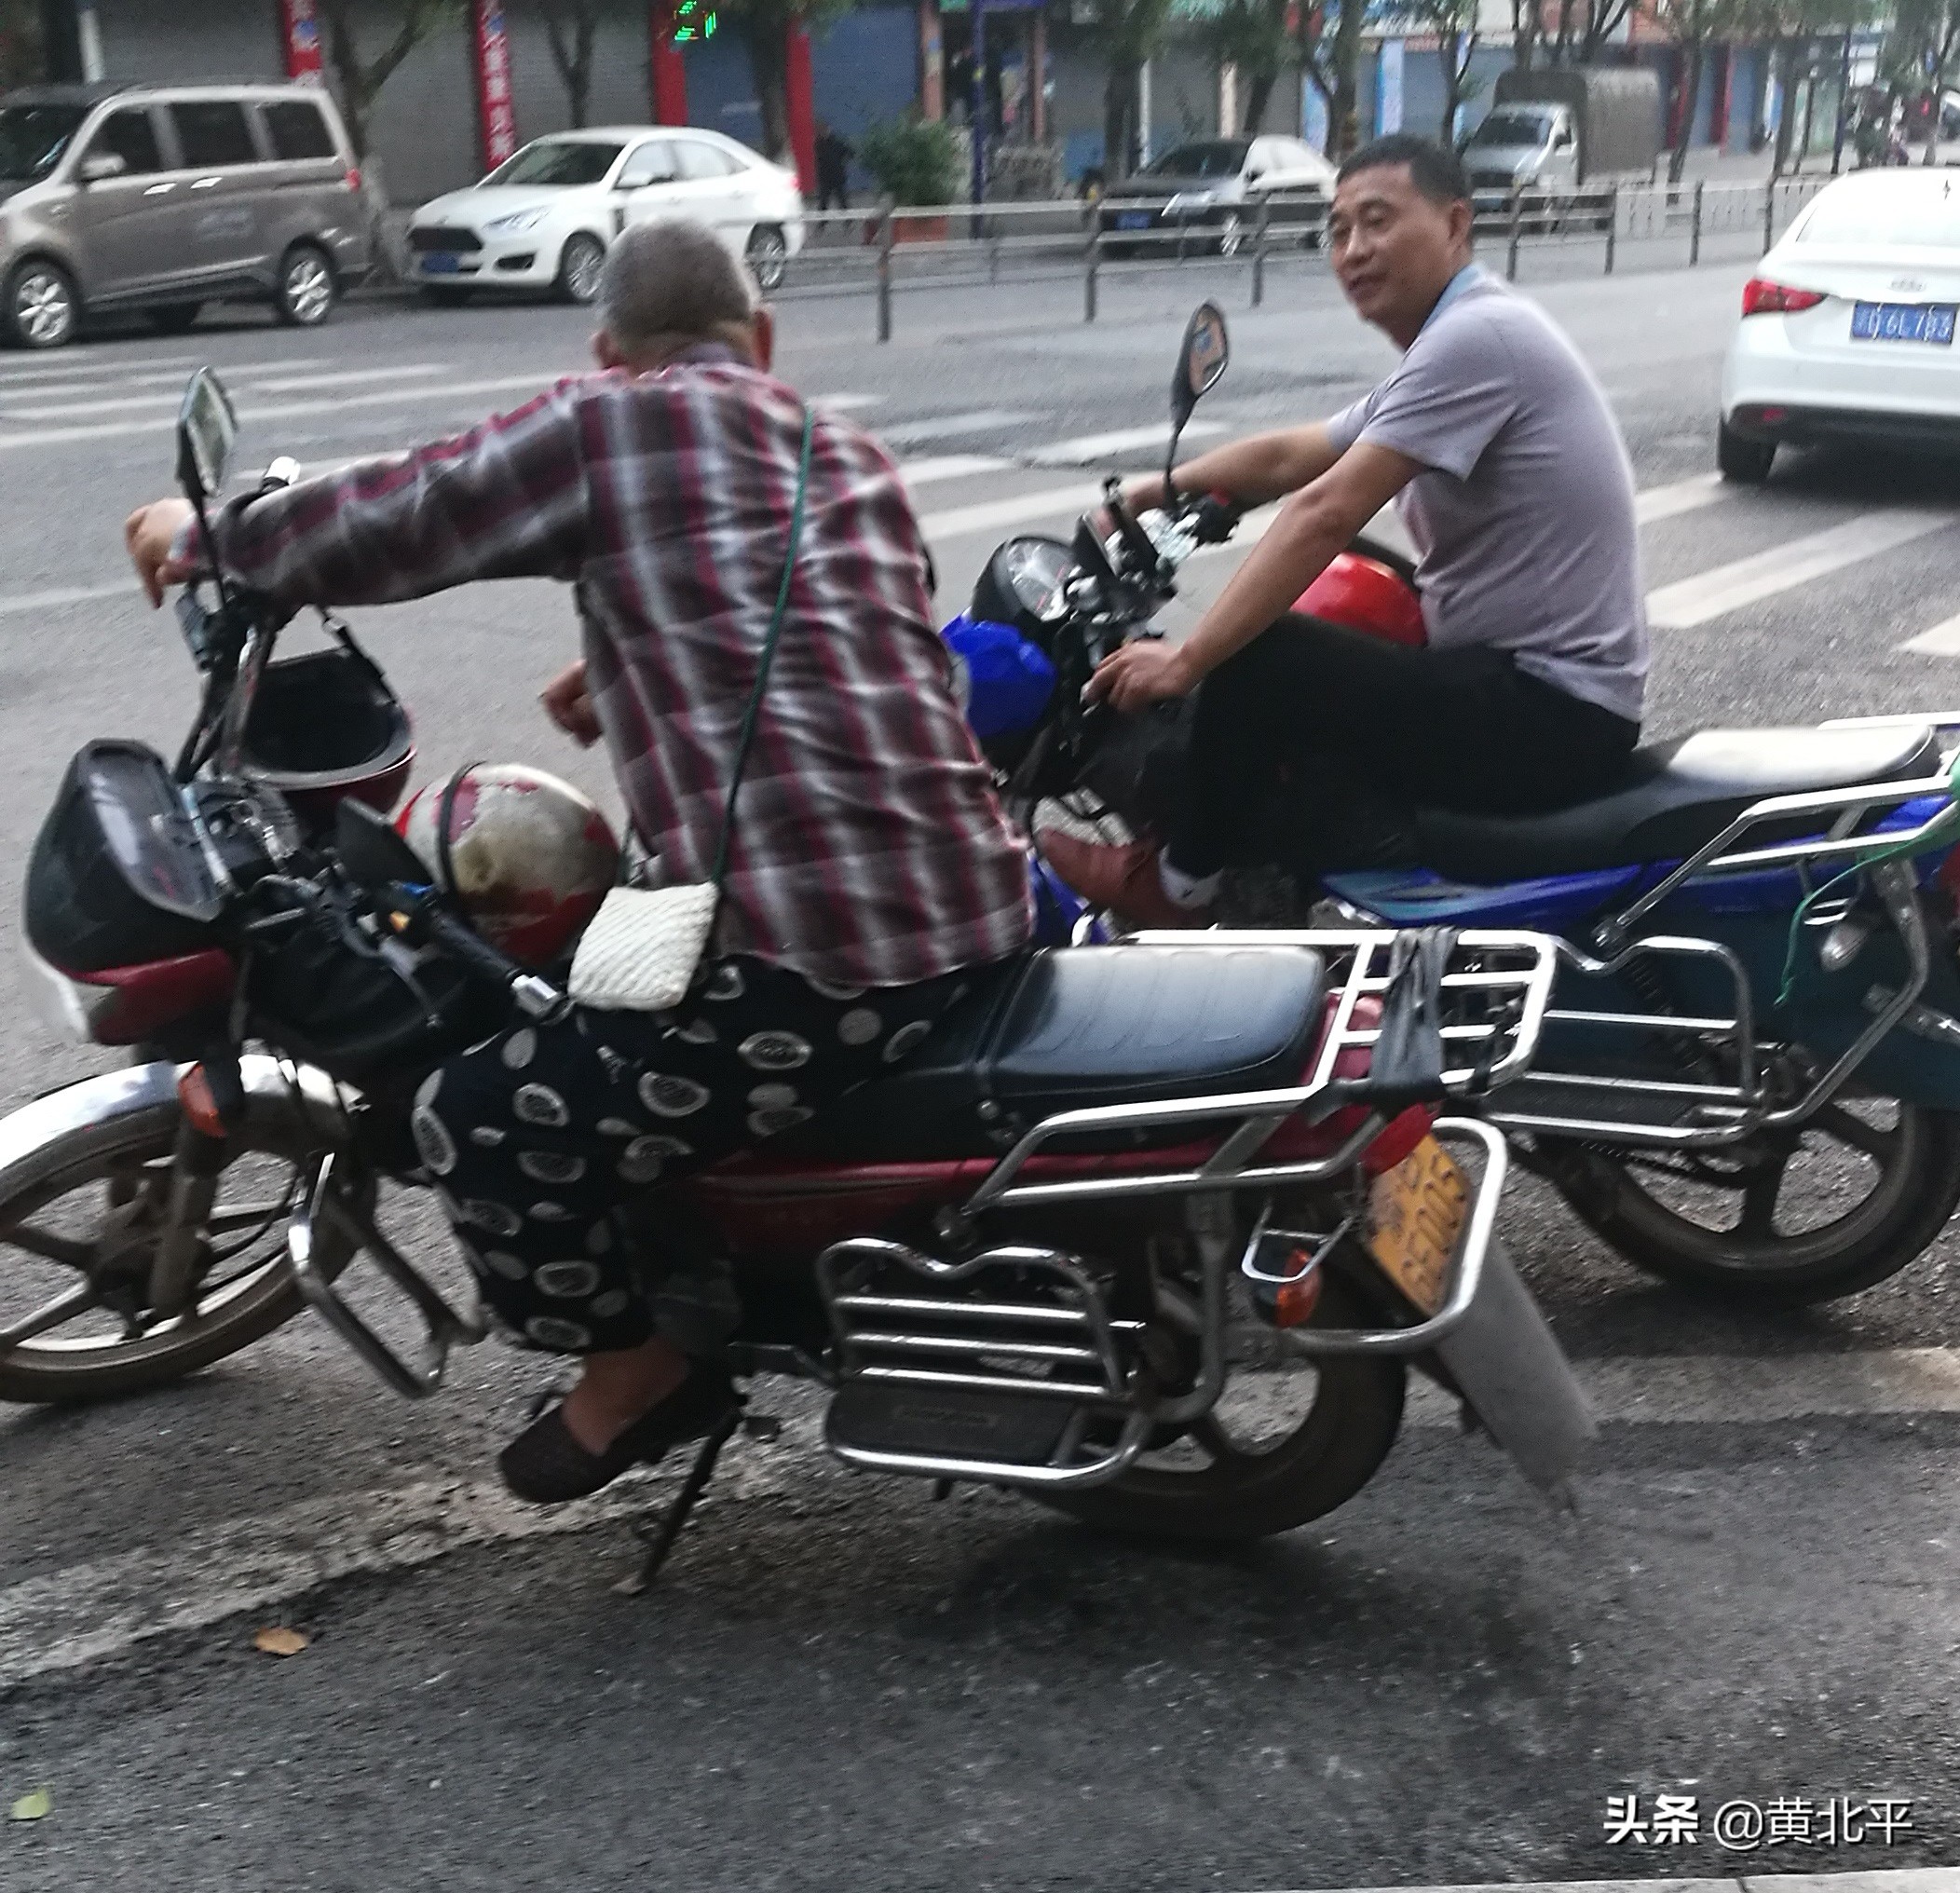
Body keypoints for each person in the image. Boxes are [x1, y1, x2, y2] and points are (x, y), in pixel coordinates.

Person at [123, 218, 1033, 1505]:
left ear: (611, 355)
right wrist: (624, 658)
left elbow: (407, 512)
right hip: (973, 893)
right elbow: (848, 635)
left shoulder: (613, 424)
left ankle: (640, 1371)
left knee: (474, 1112)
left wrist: (205, 529)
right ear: (759, 342)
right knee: (553, 983)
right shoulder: (852, 452)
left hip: (819, 957)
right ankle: (699, 1249)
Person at [1039, 133, 1649, 930]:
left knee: (1262, 655)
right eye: (1337, 230)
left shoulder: (1478, 338)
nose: (1354, 249)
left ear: (1456, 224)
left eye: (1377, 222)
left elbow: (1324, 507)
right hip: (1521, 682)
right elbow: (1296, 454)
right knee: (1355, 593)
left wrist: (1188, 660)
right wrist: (1156, 490)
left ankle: (1181, 885)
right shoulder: (1450, 343)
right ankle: (1297, 888)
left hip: (1554, 708)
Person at [814, 120, 853, 212]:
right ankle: (822, 223)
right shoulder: (818, 144)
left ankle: (849, 221)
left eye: (824, 130)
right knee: (823, 202)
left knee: (842, 200)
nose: (823, 133)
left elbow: (849, 152)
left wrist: (843, 163)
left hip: (837, 175)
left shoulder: (837, 143)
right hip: (825, 177)